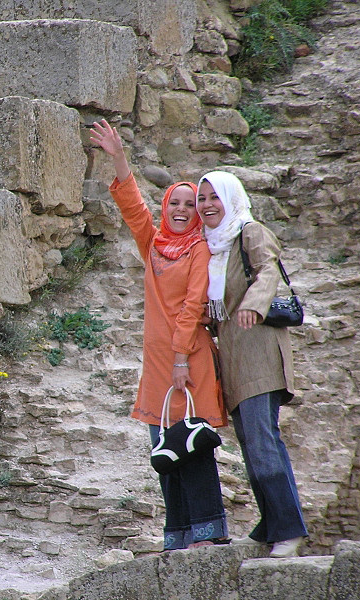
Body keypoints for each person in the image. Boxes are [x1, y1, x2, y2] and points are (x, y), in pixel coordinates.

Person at [90, 120, 229, 550]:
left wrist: (181, 359)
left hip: (188, 360)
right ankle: (179, 533)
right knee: (165, 450)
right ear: (166, 207)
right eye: (176, 203)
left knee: (194, 442)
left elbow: (192, 306)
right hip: (156, 365)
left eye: (191, 204)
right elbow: (133, 208)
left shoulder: (199, 249)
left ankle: (207, 532)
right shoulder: (153, 244)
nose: (183, 209)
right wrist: (118, 156)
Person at [196, 170, 307, 558]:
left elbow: (269, 271)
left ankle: (289, 530)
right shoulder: (214, 245)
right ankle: (269, 524)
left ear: (232, 197)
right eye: (202, 198)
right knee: (250, 441)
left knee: (262, 440)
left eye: (215, 197)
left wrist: (253, 305)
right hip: (234, 354)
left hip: (259, 347)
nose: (208, 205)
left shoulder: (249, 231)